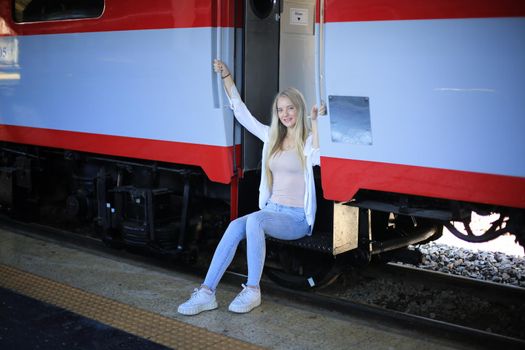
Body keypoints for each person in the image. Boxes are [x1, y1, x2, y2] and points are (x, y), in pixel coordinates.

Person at [177, 59, 324, 315]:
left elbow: (321, 155)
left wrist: (315, 122)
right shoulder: (272, 138)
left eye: (291, 108)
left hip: (296, 218)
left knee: (254, 221)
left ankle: (253, 289)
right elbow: (241, 114)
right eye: (280, 110)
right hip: (272, 210)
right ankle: (206, 293)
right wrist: (227, 78)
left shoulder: (308, 141)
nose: (286, 114)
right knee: (236, 224)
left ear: (299, 110)